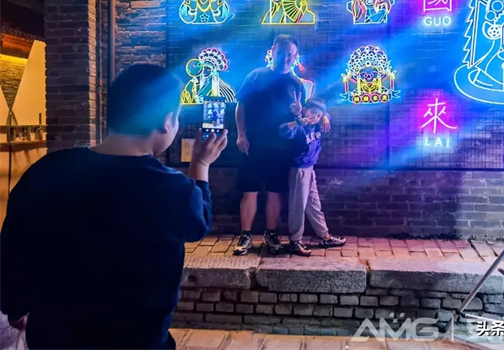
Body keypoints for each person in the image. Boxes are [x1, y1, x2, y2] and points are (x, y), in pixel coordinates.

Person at [0, 64, 228, 350]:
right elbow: (198, 223)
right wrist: (201, 164)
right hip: (138, 341)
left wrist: (15, 305)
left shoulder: (46, 171)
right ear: (167, 121)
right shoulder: (174, 190)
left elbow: (14, 248)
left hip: (54, 337)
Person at [233, 34, 330, 256]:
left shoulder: (297, 83)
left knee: (275, 192)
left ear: (295, 57)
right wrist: (241, 134)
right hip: (253, 143)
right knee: (250, 190)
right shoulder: (256, 76)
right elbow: (241, 106)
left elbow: (307, 113)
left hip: (283, 147)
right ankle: (245, 235)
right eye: (282, 53)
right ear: (273, 51)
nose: (286, 58)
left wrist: (319, 115)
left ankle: (271, 234)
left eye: (291, 55)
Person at [279, 97, 346, 256]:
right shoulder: (299, 126)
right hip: (299, 170)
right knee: (298, 206)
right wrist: (299, 121)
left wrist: (324, 117)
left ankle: (325, 236)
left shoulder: (318, 122)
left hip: (310, 168)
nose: (314, 117)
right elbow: (282, 130)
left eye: (318, 114)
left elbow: (326, 114)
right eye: (312, 113)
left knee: (314, 204)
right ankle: (295, 241)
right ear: (304, 110)